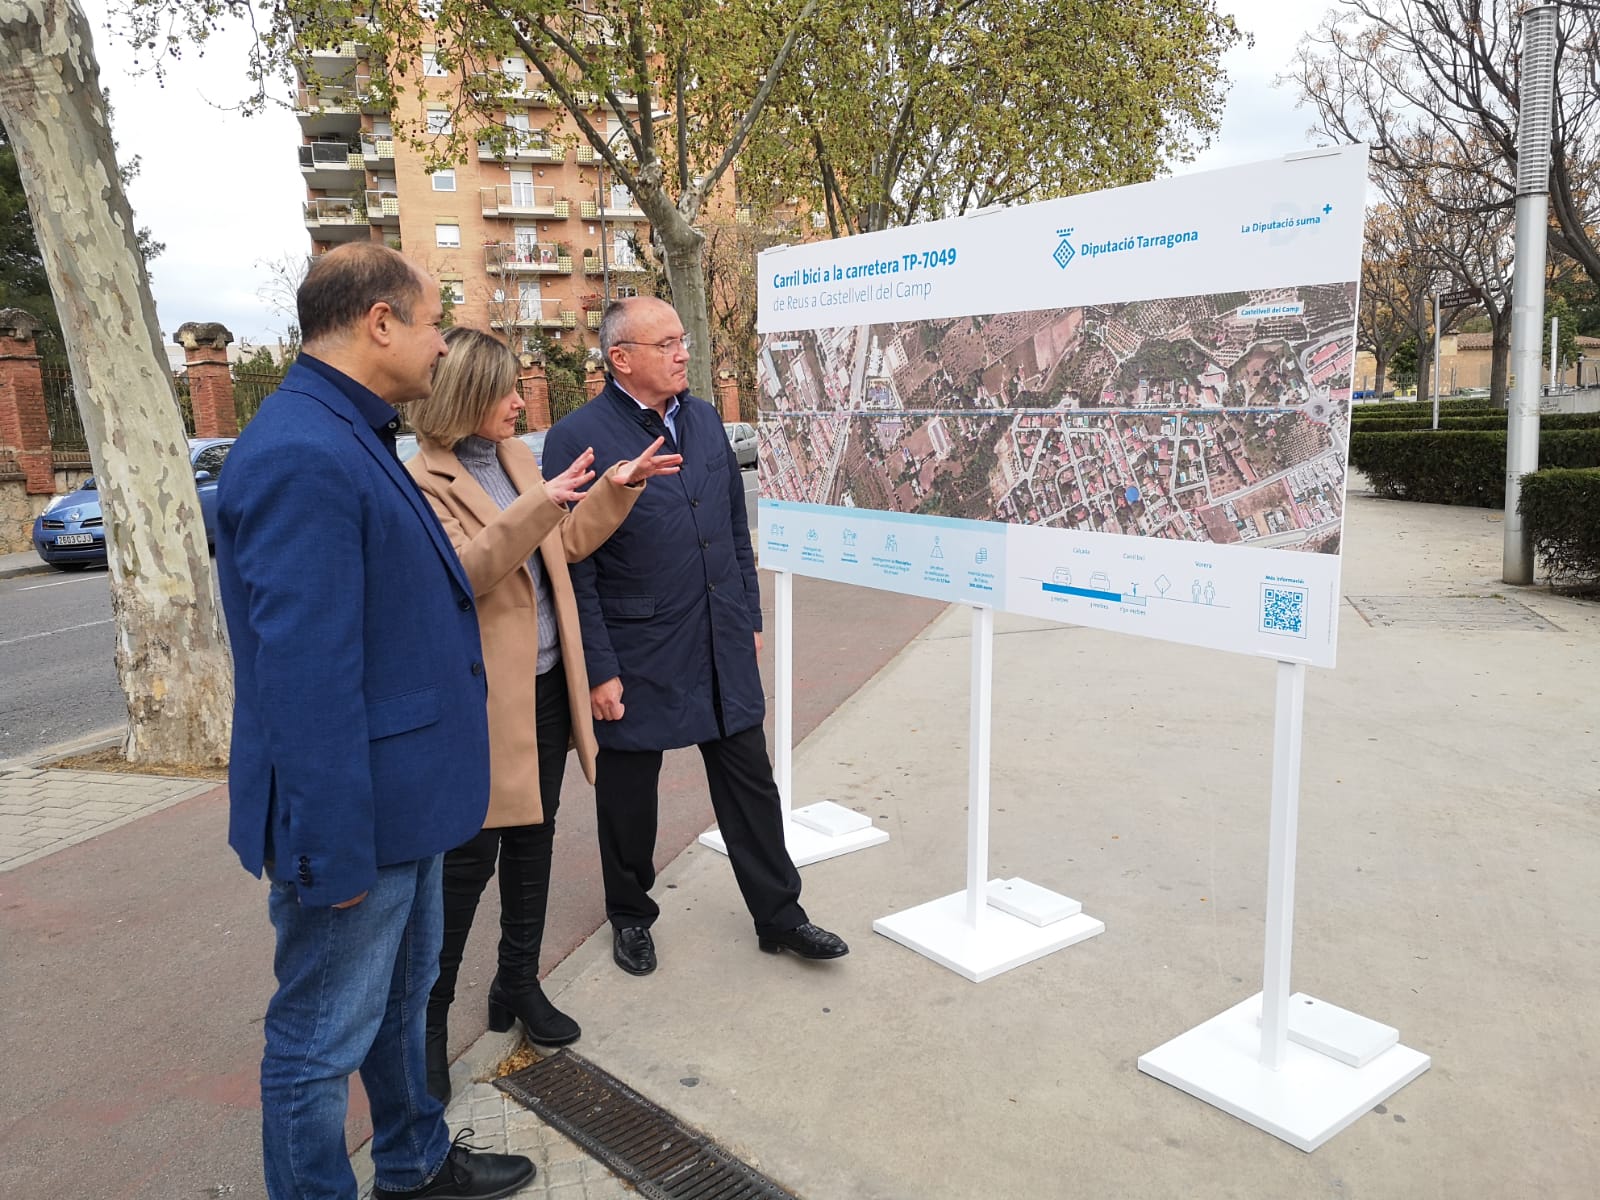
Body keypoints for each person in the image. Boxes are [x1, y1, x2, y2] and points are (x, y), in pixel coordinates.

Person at [215, 243, 535, 1200]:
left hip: (409, 801)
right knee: (318, 1042)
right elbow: (304, 679)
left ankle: (415, 1161)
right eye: (434, 322)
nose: (443, 345)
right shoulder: (302, 452)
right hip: (356, 817)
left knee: (402, 1005)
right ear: (380, 322)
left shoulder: (350, 429)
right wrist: (332, 853)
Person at [404, 327, 680, 1101]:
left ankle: (517, 985)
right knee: (466, 866)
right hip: (489, 701)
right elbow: (467, 574)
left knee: (535, 844)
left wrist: (614, 487)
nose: (521, 401)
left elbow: (567, 546)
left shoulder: (520, 460)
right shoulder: (423, 479)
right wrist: (538, 505)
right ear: (464, 394)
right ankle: (427, 1029)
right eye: (506, 391)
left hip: (551, 685)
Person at [542, 297, 848, 977]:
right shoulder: (579, 437)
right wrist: (597, 667)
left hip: (718, 634)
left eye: (683, 340)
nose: (684, 353)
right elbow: (572, 563)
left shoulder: (705, 419)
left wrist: (749, 616)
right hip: (636, 646)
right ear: (621, 359)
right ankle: (630, 914)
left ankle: (781, 916)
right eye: (666, 343)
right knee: (629, 792)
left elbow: (734, 533)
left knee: (749, 778)